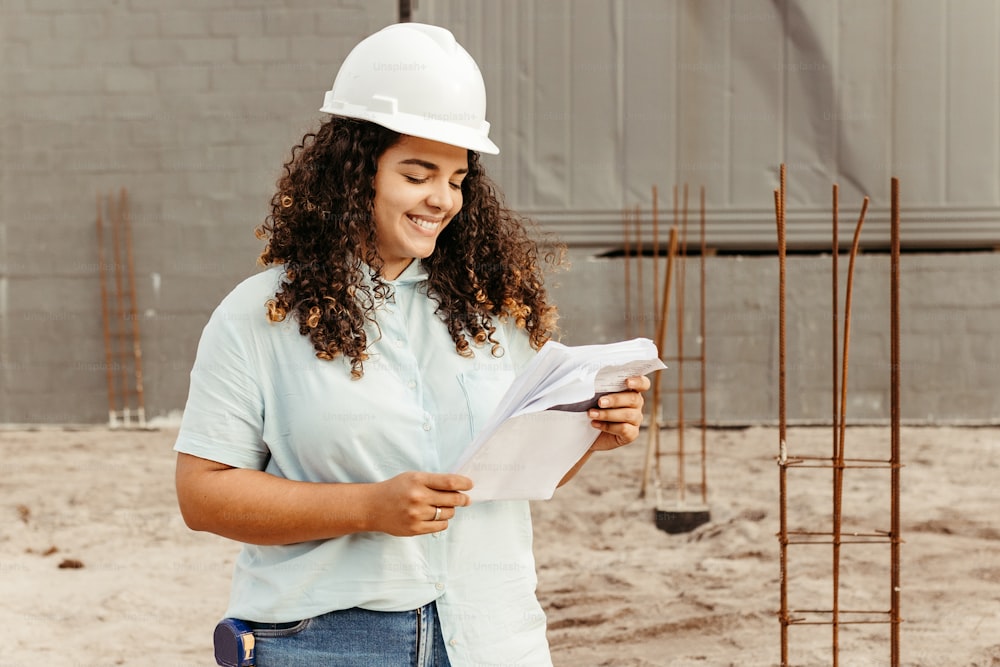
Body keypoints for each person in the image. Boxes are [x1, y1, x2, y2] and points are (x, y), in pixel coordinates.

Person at [173, 22, 650, 666]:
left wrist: (589, 432)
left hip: (492, 632)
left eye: (456, 179)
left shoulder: (489, 313)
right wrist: (367, 506)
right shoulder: (258, 315)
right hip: (329, 641)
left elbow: (510, 475)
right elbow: (203, 495)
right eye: (418, 173)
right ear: (354, 172)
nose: (441, 199)